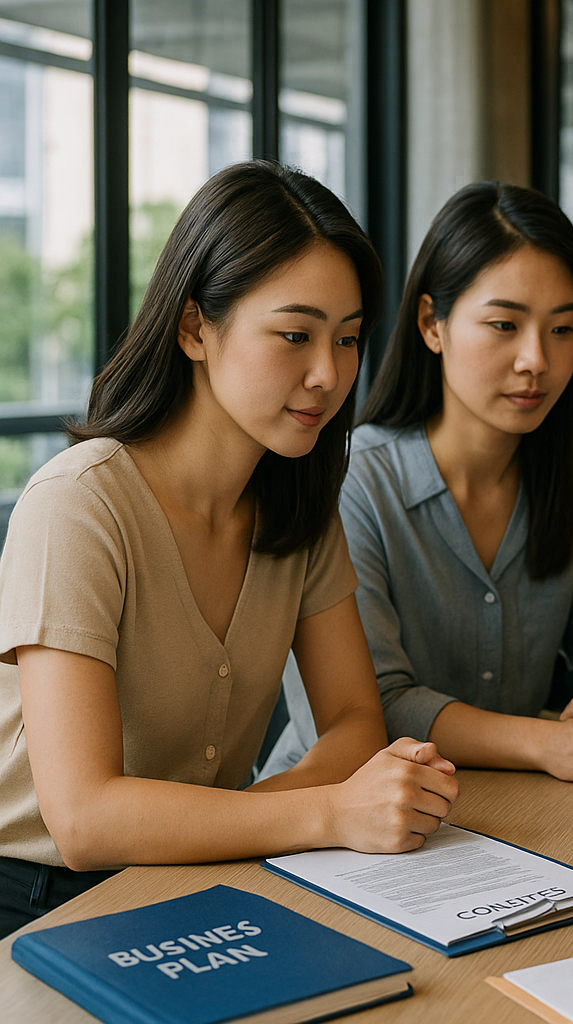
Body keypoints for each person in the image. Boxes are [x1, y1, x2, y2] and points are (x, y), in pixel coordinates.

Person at [0, 162, 459, 939]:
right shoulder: (79, 505)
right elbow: (84, 819)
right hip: (39, 896)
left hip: (211, 866)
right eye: (293, 335)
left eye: (347, 339)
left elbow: (353, 719)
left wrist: (287, 813)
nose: (328, 374)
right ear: (193, 329)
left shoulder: (300, 506)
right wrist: (326, 809)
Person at [263, 181, 573, 786]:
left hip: (506, 803)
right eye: (504, 325)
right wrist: (547, 743)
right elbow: (376, 704)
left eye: (562, 329)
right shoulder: (355, 477)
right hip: (336, 810)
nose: (537, 360)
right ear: (432, 324)